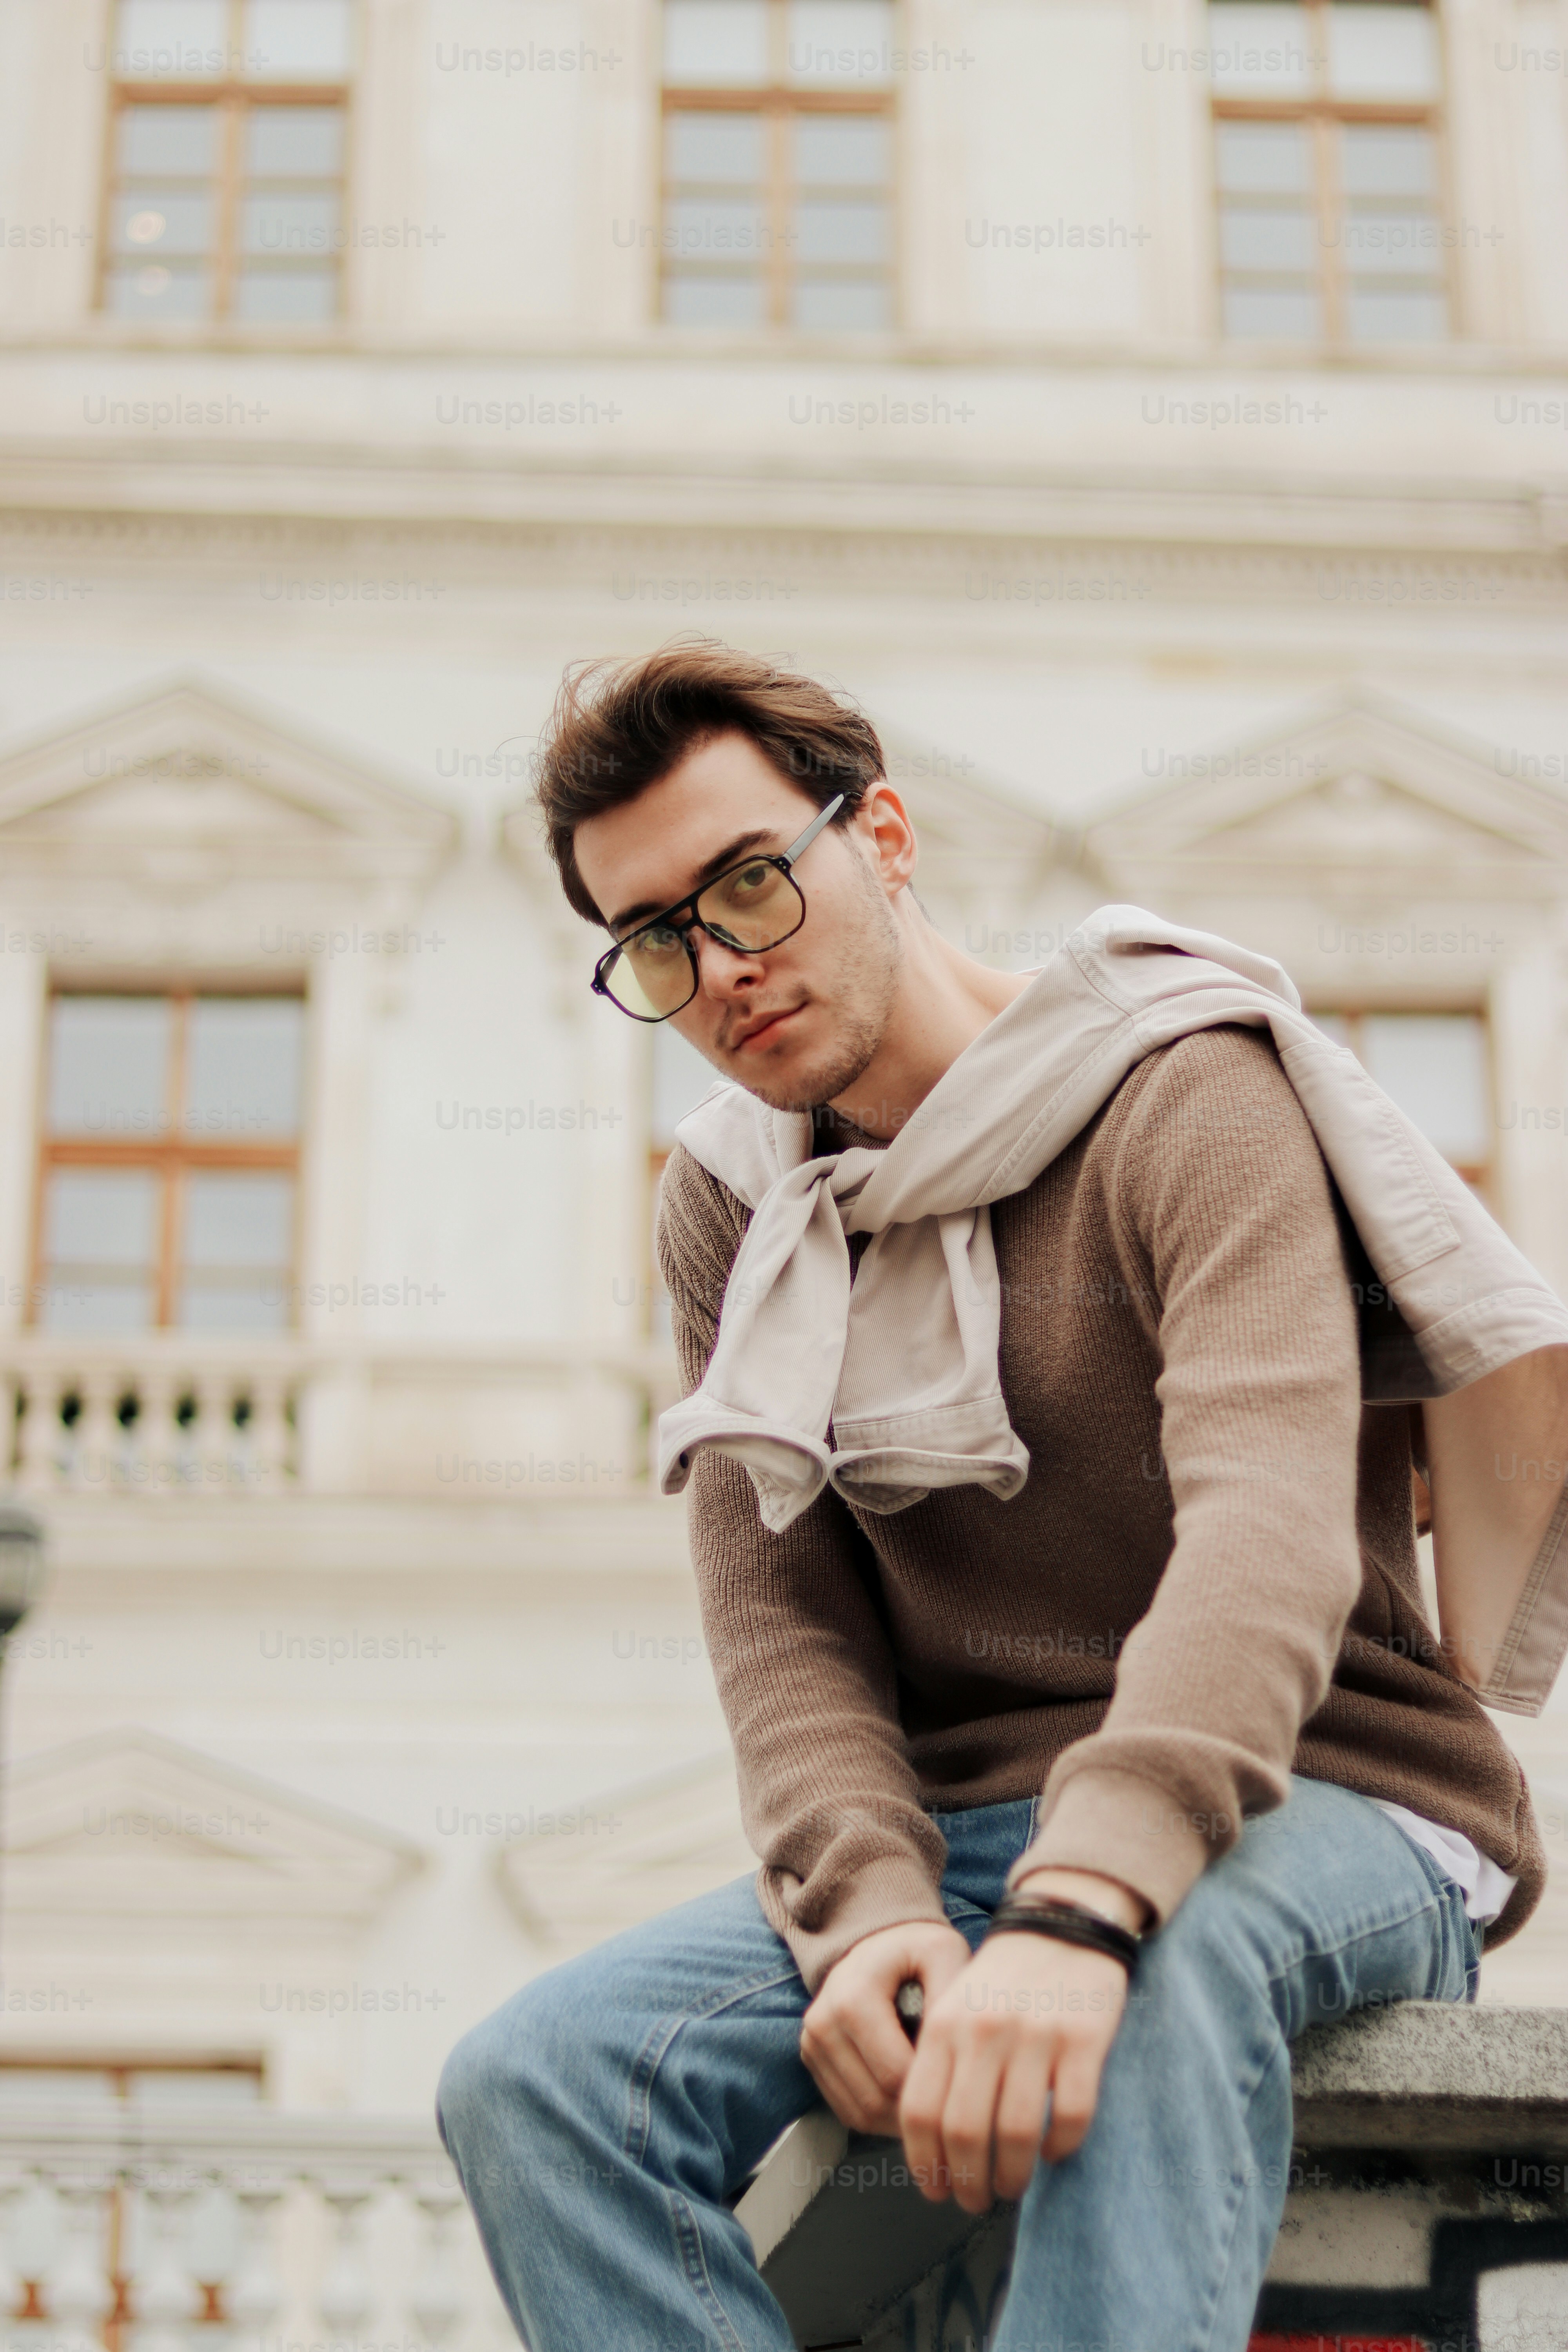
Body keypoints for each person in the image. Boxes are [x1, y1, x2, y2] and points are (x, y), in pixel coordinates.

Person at [437, 642, 1543, 2352]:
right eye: (657, 941)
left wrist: (1079, 1905)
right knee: (540, 2082)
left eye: (749, 886)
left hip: (1328, 1785)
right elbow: (783, 1625)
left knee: (1154, 1972)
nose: (720, 968)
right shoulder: (732, 1207)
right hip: (966, 1839)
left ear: (876, 835)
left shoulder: (1185, 1085)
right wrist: (869, 1900)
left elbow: (1264, 1536)